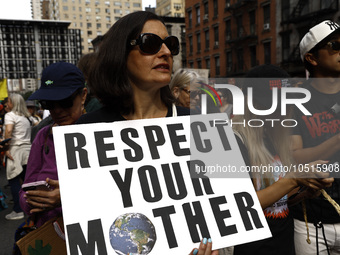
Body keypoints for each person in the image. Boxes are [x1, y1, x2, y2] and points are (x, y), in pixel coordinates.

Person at [76, 11, 217, 255]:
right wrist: (70, 194)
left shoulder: (204, 125)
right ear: (120, 54)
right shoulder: (86, 131)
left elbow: (233, 208)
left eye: (170, 45)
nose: (165, 52)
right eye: (150, 43)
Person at [232, 64, 333, 255]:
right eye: (269, 103)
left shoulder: (272, 137)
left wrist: (305, 191)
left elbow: (276, 200)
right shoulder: (234, 140)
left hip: (283, 242)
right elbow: (241, 205)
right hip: (252, 248)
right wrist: (293, 179)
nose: (278, 110)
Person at [291, 20, 340, 255]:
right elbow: (295, 156)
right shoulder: (295, 102)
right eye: (335, 45)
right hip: (311, 222)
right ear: (312, 58)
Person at [18, 61, 87, 228]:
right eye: (48, 104)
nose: (57, 110)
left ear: (83, 96)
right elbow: (25, 190)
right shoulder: (43, 136)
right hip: (49, 232)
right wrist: (33, 200)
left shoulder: (99, 132)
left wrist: (68, 196)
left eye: (64, 101)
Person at [4, 93, 38, 220]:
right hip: (28, 150)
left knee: (13, 179)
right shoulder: (27, 117)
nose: (7, 104)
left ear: (13, 103)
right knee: (27, 181)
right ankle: (33, 206)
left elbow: (8, 131)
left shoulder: (10, 115)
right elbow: (37, 127)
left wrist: (6, 148)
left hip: (15, 150)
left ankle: (18, 210)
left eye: (8, 101)